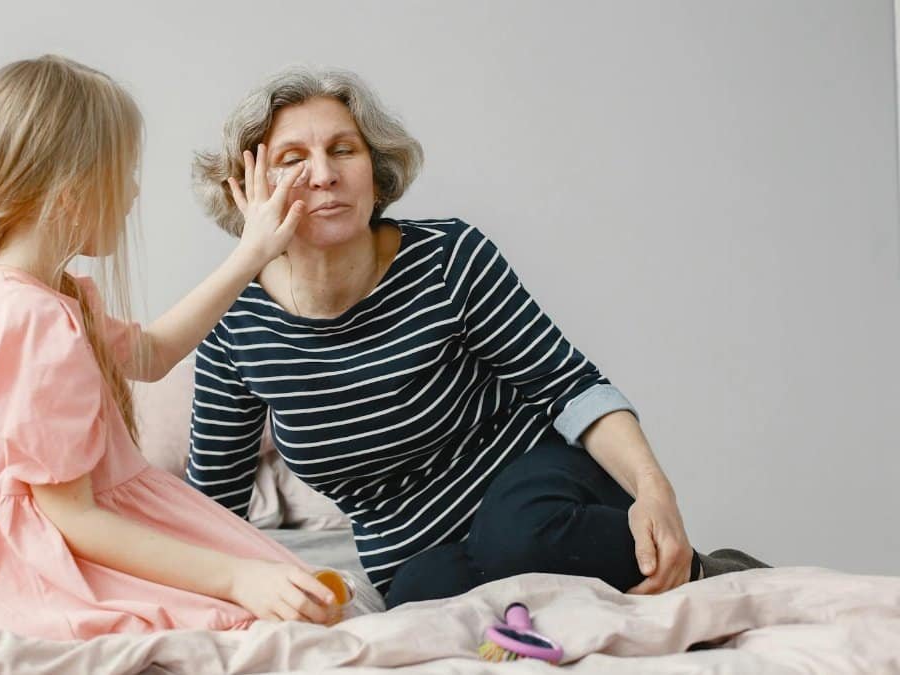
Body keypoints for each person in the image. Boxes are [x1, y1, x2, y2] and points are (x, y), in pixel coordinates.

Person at [187, 66, 767, 609]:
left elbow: (571, 386)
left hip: (542, 494)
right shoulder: (233, 324)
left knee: (519, 533)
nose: (324, 173)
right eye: (292, 158)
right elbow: (212, 503)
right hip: (413, 554)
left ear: (374, 168)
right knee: (426, 598)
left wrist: (654, 491)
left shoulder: (447, 257)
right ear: (246, 188)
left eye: (344, 149)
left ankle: (715, 574)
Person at [0, 55, 336, 641]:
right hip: (31, 559)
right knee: (256, 606)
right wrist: (236, 579)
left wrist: (252, 253)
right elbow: (73, 516)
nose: (134, 192)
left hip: (53, 532)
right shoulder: (29, 318)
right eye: (124, 172)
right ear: (69, 189)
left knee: (287, 584)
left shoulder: (33, 294)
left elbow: (154, 353)